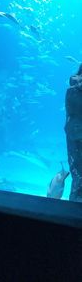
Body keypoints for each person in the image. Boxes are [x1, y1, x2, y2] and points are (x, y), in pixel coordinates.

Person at [65, 64, 82, 202]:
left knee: (77, 179)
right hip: (76, 138)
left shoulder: (71, 91)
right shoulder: (74, 92)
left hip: (73, 140)